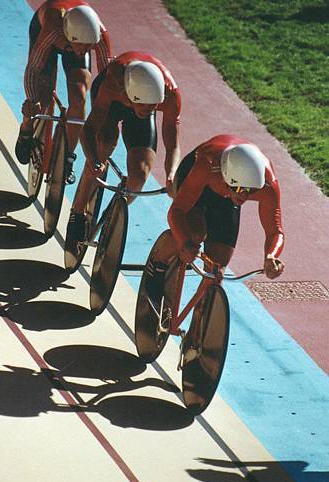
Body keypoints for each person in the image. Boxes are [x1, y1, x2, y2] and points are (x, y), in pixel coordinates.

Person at [145, 134, 285, 307]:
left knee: (216, 269)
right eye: (241, 189)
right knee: (195, 233)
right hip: (197, 178)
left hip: (226, 196)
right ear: (227, 176)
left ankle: (199, 325)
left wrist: (271, 255)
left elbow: (275, 231)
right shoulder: (208, 165)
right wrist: (184, 241)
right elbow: (177, 211)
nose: (244, 196)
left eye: (251, 191)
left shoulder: (267, 185)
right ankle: (157, 264)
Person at [65, 50, 181, 241]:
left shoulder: (170, 94)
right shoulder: (114, 83)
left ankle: (113, 218)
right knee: (104, 142)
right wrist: (94, 160)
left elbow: (173, 144)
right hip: (111, 103)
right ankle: (77, 210)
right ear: (128, 95)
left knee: (140, 174)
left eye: (153, 106)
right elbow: (89, 129)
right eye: (144, 105)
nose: (148, 109)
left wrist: (171, 174)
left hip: (140, 98)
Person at [15, 0, 112, 185]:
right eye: (81, 45)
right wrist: (32, 100)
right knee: (41, 98)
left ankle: (67, 157)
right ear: (69, 35)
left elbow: (106, 79)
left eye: (88, 46)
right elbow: (33, 69)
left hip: (71, 39)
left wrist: (101, 114)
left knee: (80, 96)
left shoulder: (99, 35)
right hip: (46, 32)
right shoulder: (53, 28)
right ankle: (27, 125)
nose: (84, 51)